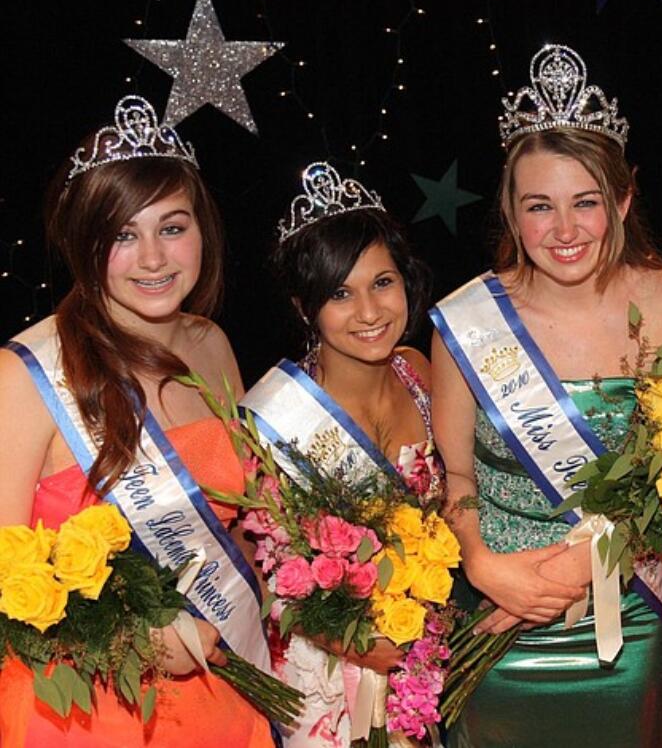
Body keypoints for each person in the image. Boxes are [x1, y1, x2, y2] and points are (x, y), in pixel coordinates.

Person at [430, 44, 662, 747]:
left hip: (626, 617)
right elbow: (455, 475)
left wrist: (579, 563)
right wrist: (482, 563)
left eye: (586, 202)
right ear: (509, 208)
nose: (564, 232)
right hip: (496, 615)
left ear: (623, 198)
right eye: (539, 207)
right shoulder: (469, 321)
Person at [0, 95, 274, 746]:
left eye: (172, 227)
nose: (153, 258)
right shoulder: (26, 378)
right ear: (82, 244)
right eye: (123, 234)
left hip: (223, 686)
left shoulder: (211, 345)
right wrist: (134, 636)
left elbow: (242, 524)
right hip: (88, 712)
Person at [239, 162, 438, 746]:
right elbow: (264, 578)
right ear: (305, 308)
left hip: (424, 664)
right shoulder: (272, 420)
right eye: (340, 294)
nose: (370, 312)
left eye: (382, 283)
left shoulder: (422, 374)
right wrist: (355, 645)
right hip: (320, 683)